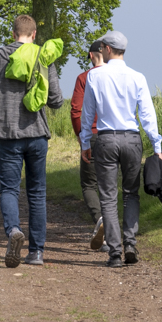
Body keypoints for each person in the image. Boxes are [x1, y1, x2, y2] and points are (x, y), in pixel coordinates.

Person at [0, 14, 65, 267]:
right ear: (34, 33)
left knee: (9, 189)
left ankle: (13, 231)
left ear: (13, 32)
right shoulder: (43, 56)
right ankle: (36, 252)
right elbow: (56, 100)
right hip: (37, 134)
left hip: (8, 135)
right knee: (37, 193)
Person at [78, 31, 162, 268]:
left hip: (105, 139)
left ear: (106, 49)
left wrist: (85, 143)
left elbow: (87, 114)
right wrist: (157, 145)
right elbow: (147, 114)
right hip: (132, 138)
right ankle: (130, 244)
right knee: (130, 193)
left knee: (108, 195)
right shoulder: (138, 77)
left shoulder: (95, 76)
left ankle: (114, 252)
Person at [69, 40, 108, 251]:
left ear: (91, 55)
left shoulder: (84, 78)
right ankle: (117, 236)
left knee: (88, 184)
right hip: (116, 137)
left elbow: (77, 110)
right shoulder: (120, 77)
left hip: (92, 135)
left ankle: (101, 219)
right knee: (109, 185)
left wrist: (81, 137)